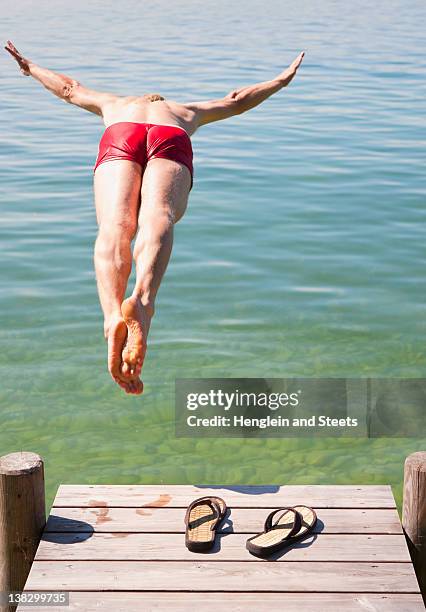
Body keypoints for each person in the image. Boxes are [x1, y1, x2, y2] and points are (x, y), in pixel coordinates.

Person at [4, 40, 304, 395]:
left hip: (121, 133)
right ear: (160, 100)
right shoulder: (186, 110)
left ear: (144, 98)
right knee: (159, 214)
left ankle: (112, 316)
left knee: (115, 225)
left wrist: (31, 68)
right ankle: (143, 302)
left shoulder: (114, 104)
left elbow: (69, 88)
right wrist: (280, 80)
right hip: (170, 137)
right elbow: (238, 99)